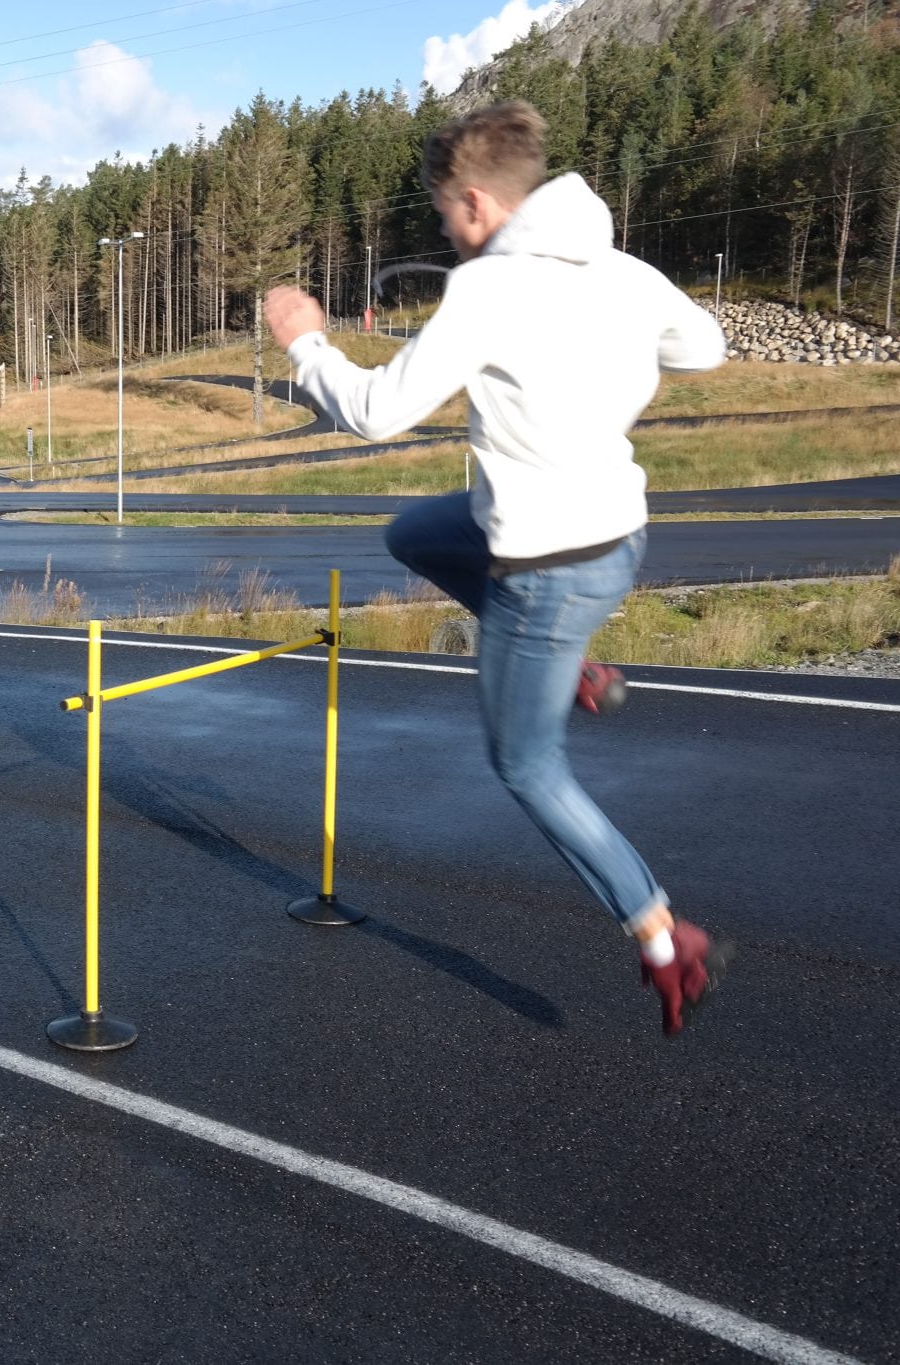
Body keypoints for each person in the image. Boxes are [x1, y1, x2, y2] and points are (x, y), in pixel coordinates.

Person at [265, 100, 729, 1035]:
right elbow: (705, 348)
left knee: (525, 764)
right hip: (615, 537)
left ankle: (659, 933)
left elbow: (377, 411)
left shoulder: (490, 289)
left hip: (546, 567)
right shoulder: (623, 271)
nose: (446, 231)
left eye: (445, 214)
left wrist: (306, 342)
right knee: (414, 532)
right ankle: (571, 668)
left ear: (476, 202)